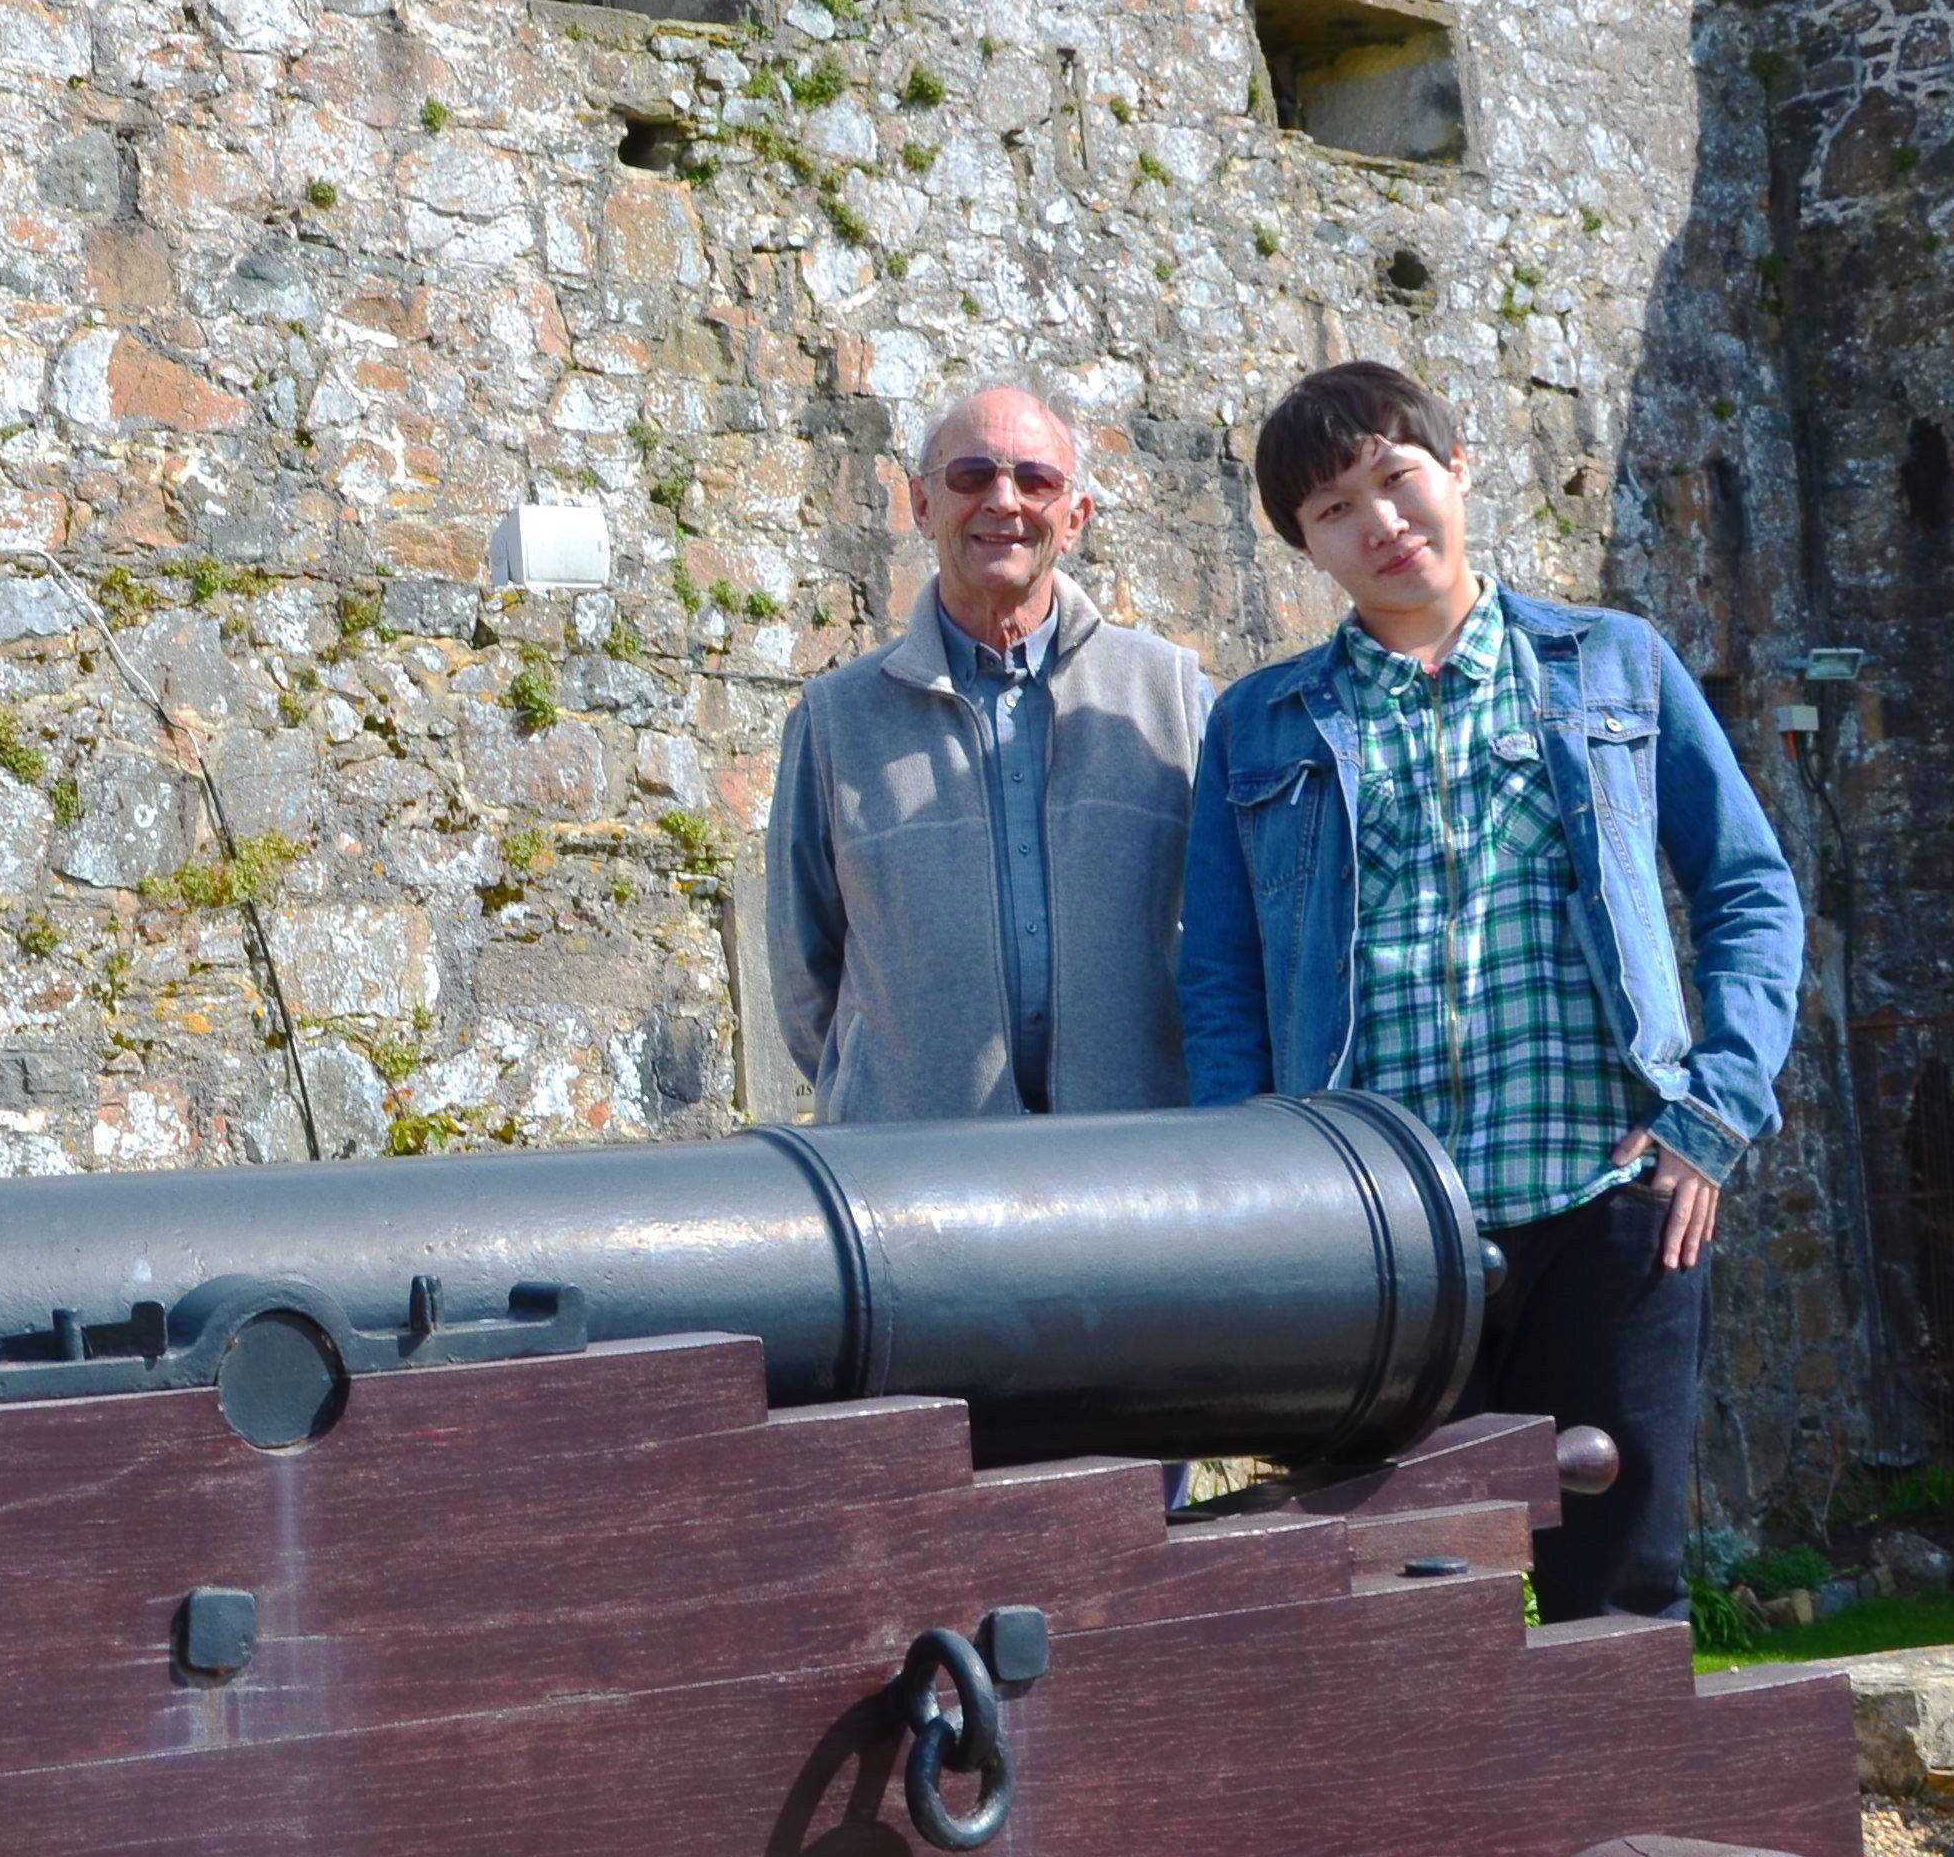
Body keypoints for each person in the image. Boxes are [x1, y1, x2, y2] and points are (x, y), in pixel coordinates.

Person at [1177, 364, 1805, 1622]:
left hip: (1605, 1205)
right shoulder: (1259, 725)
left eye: (1396, 480)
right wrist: (1265, 1196)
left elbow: (1746, 887)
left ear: (1454, 470)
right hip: (1382, 1241)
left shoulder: (1613, 667)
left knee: (1617, 1589)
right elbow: (1219, 979)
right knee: (1401, 1607)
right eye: (1333, 511)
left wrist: (1711, 1116)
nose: (1380, 523)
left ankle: (1629, 1820)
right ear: (1305, 546)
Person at [767, 385, 1212, 1128]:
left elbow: (1225, 939)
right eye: (971, 476)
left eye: (1035, 480)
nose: (1003, 501)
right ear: (920, 505)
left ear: (1075, 519)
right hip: (916, 1175)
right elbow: (801, 972)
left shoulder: (1169, 695)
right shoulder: (836, 720)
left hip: (1132, 1163)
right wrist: (894, 1081)